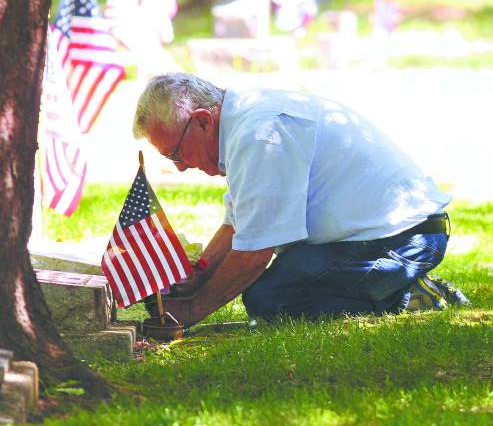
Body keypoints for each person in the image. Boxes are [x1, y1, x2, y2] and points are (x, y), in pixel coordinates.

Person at [133, 73, 470, 327]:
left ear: (203, 121)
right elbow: (240, 224)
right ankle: (393, 284)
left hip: (403, 237)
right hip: (373, 236)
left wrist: (190, 312)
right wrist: (199, 275)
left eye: (175, 153)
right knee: (275, 289)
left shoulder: (260, 133)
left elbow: (253, 254)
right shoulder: (243, 122)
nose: (179, 167)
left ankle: (405, 293)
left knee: (271, 299)